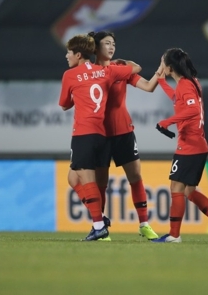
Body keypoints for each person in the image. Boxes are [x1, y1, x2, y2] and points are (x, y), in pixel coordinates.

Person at [68, 31, 159, 240]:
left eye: (113, 44)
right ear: (96, 47)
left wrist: (158, 74)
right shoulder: (88, 73)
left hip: (124, 131)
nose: (111, 47)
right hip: (100, 134)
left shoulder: (119, 69)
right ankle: (101, 225)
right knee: (99, 183)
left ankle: (144, 224)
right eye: (107, 44)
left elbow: (147, 85)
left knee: (135, 176)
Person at [151, 48, 208, 243]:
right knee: (188, 191)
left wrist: (168, 121)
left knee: (176, 188)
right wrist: (162, 82)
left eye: (163, 62)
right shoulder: (192, 83)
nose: (161, 65)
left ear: (170, 67)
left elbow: (193, 109)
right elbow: (179, 100)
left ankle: (174, 234)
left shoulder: (185, 85)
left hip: (189, 145)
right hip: (198, 145)